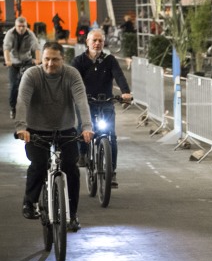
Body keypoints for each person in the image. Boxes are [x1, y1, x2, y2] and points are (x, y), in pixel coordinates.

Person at [15, 42, 93, 232]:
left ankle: (72, 214)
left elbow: (81, 101)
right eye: (46, 59)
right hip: (35, 130)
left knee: (71, 169)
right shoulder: (32, 74)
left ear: (63, 59)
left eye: (55, 59)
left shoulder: (71, 74)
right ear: (41, 58)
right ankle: (30, 202)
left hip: (65, 129)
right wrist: (21, 127)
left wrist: (87, 127)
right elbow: (22, 101)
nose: (50, 63)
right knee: (39, 163)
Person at [71, 29, 133, 188]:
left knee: (111, 135)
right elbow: (73, 81)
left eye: (100, 41)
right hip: (85, 103)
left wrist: (125, 92)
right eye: (94, 40)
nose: (97, 43)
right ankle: (83, 153)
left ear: (103, 43)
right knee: (82, 129)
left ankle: (111, 172)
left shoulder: (110, 60)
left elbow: (119, 75)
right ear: (87, 42)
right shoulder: (79, 61)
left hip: (106, 102)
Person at [4, 16, 42, 119]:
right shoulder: (10, 34)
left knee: (28, 83)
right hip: (13, 62)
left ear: (26, 26)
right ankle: (13, 108)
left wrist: (38, 60)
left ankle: (30, 107)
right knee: (13, 86)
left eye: (23, 26)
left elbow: (36, 47)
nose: (21, 28)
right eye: (19, 26)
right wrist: (8, 61)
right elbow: (6, 48)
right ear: (15, 26)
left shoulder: (30, 34)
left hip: (26, 61)